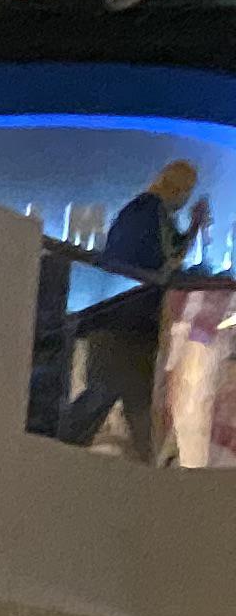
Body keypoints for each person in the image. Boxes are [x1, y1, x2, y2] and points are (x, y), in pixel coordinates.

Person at [64, 160, 206, 458]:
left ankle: (148, 471)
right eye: (187, 190)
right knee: (110, 400)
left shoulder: (148, 213)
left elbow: (164, 257)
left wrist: (192, 228)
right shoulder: (148, 212)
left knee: (125, 404)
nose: (186, 197)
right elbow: (160, 263)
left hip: (127, 326)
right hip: (125, 326)